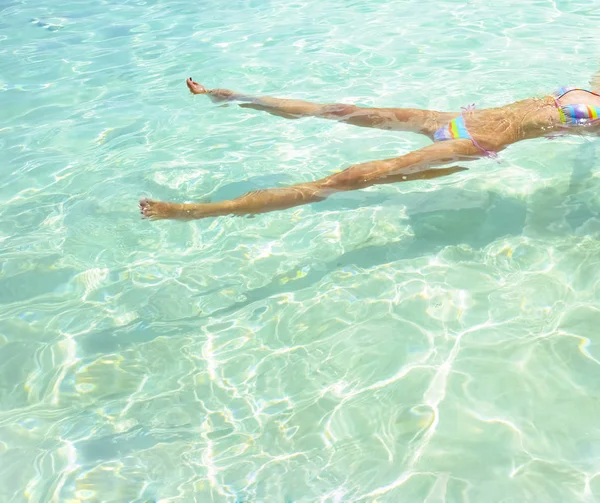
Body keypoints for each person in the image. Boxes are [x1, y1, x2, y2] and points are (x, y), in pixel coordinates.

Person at [139, 73, 600, 221]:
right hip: (452, 118)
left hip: (473, 142)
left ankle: (197, 211)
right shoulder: (595, 81)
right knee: (339, 110)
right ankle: (236, 96)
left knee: (348, 179)